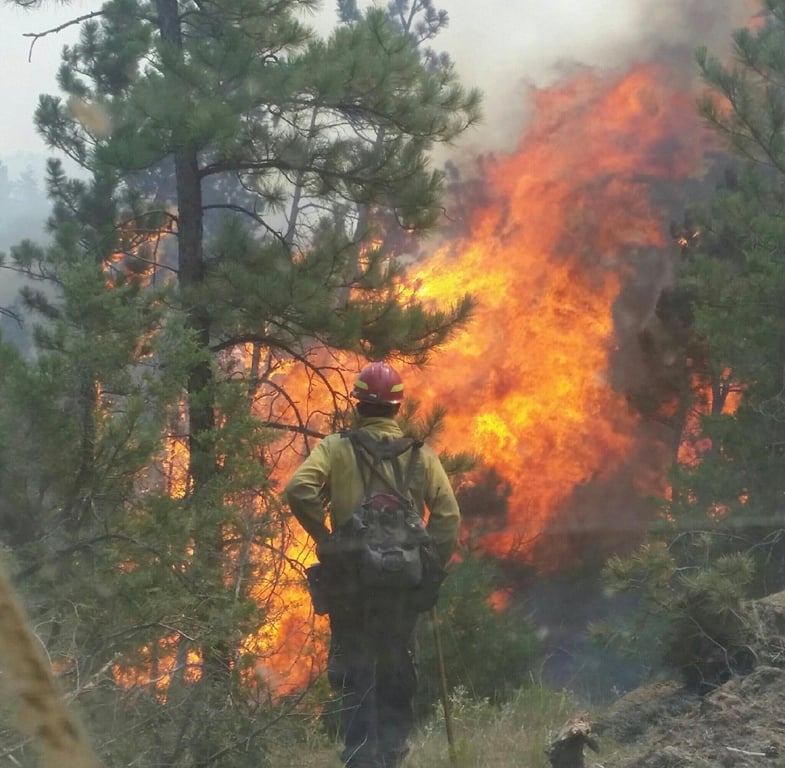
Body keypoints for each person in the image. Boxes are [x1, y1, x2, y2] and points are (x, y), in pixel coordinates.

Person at [284, 361, 461, 768]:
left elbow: (299, 489)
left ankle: (361, 758)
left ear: (357, 404)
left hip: (351, 587)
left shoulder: (336, 447)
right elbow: (449, 517)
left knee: (355, 670)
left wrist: (327, 539)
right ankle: (393, 755)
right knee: (398, 667)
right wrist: (430, 568)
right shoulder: (422, 456)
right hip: (402, 585)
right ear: (399, 407)